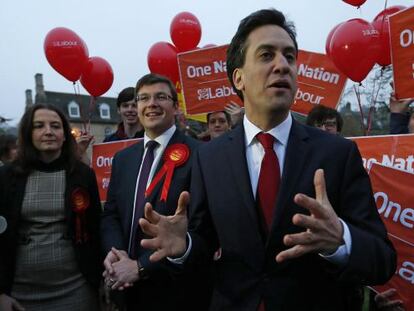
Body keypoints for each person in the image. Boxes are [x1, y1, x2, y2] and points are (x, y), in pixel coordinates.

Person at [138, 9, 396, 311]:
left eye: (289, 56)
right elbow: (204, 243)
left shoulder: (338, 153)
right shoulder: (209, 157)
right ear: (239, 78)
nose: (282, 66)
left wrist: (340, 240)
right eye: (266, 55)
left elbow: (382, 260)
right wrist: (184, 246)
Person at [101, 73, 211, 311]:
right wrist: (116, 253)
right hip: (126, 291)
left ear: (175, 106)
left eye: (161, 97)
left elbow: (202, 226)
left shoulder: (203, 154)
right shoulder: (122, 159)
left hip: (174, 292)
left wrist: (140, 267)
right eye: (144, 98)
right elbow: (111, 214)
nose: (151, 104)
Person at [0, 104, 102, 311]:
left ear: (65, 135)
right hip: (20, 294)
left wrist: (101, 281)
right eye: (39, 126)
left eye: (55, 126)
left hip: (76, 290)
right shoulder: (7, 176)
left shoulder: (83, 175)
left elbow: (95, 229)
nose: (48, 131)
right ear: (28, 133)